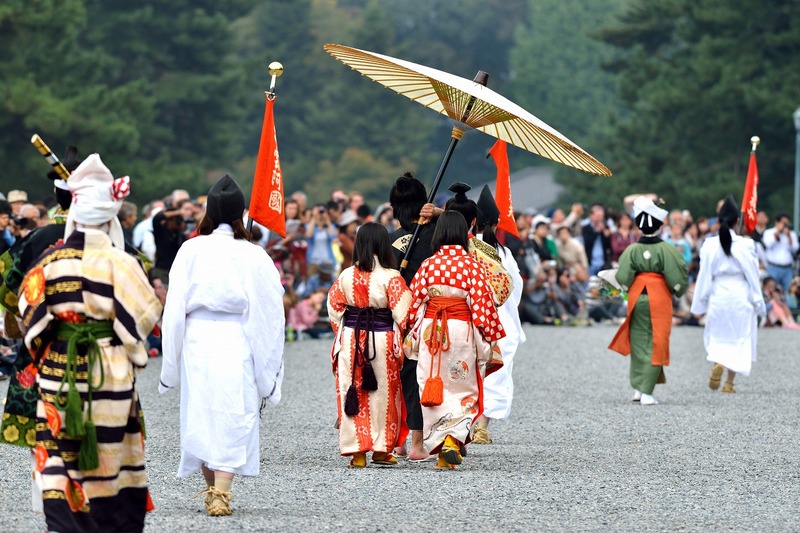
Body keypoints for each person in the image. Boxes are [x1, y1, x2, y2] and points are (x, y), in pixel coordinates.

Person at [17, 154, 162, 532]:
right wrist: (126, 345)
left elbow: (28, 315)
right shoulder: (122, 262)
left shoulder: (50, 262)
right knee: (111, 456)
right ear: (110, 217)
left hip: (58, 369)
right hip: (107, 368)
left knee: (60, 453)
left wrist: (52, 342)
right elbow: (146, 313)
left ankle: (66, 523)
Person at [159, 175, 285, 517]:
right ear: (240, 214)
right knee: (234, 409)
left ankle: (214, 489)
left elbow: (173, 307)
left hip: (197, 337)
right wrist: (267, 362)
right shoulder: (252, 254)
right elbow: (271, 306)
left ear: (208, 212)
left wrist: (171, 356)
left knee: (201, 410)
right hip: (236, 337)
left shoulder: (191, 248)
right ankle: (220, 491)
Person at [405, 211, 505, 469]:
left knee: (431, 385)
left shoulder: (428, 264)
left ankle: (440, 445)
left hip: (432, 333)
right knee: (462, 387)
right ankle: (451, 441)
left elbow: (414, 303)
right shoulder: (472, 266)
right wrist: (492, 339)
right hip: (461, 330)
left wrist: (408, 332)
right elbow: (483, 308)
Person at [327, 222, 413, 467]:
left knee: (351, 390)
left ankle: (357, 452)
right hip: (382, 339)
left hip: (352, 338)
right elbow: (404, 314)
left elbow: (334, 310)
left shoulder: (346, 275)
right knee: (383, 394)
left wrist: (345, 333)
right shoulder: (392, 277)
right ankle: (381, 448)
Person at [608, 196, 688, 406]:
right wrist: (678, 289)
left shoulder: (631, 250)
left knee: (639, 341)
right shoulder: (668, 249)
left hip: (636, 296)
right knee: (657, 341)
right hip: (659, 296)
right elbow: (677, 277)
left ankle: (637, 388)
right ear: (660, 226)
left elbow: (623, 278)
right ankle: (647, 393)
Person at [691, 195, 766, 393]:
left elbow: (704, 274)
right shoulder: (746, 245)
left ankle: (718, 362)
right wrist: (758, 301)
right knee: (739, 337)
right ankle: (729, 384)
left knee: (718, 334)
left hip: (718, 294)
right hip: (740, 294)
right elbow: (753, 275)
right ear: (736, 222)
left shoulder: (709, 245)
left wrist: (700, 302)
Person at [387, 173, 438, 462]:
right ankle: (421, 441)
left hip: (399, 318)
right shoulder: (439, 232)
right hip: (434, 318)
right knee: (426, 377)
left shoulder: (392, 240)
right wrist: (441, 213)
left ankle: (399, 441)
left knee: (402, 377)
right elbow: (464, 221)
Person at [470, 186, 525, 445]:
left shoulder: (465, 249)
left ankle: (460, 422)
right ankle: (482, 426)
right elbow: (515, 287)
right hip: (498, 318)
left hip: (467, 315)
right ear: (496, 223)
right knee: (494, 371)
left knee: (466, 371)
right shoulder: (503, 254)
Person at [762, 213, 798, 292]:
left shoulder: (791, 234)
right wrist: (778, 232)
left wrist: (788, 236)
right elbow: (768, 244)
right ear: (776, 223)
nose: (785, 225)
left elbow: (795, 249)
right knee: (772, 291)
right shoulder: (769, 232)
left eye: (787, 223)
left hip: (787, 268)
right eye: (783, 223)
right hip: (773, 267)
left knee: (787, 292)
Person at [582, 203, 612, 276]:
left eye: (601, 216)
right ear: (591, 216)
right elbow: (587, 242)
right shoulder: (586, 228)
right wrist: (596, 231)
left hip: (603, 262)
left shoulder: (606, 227)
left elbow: (609, 246)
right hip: (590, 262)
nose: (599, 218)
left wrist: (606, 236)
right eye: (597, 216)